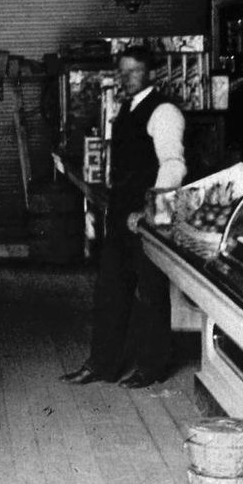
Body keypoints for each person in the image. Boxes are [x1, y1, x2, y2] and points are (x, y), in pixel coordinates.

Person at [62, 45, 186, 388]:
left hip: (145, 218)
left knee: (150, 293)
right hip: (120, 215)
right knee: (110, 291)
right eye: (122, 71)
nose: (126, 77)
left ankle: (152, 366)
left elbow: (173, 165)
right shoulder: (127, 108)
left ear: (152, 73)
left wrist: (149, 209)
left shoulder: (164, 112)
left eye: (134, 71)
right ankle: (102, 364)